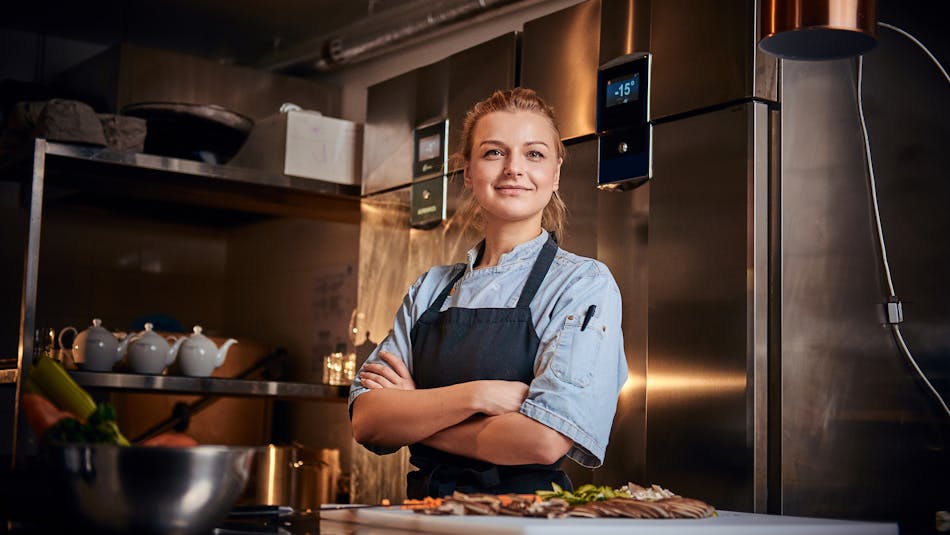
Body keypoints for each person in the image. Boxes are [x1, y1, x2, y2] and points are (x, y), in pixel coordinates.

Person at [349, 87, 627, 499]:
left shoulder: (582, 284)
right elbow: (367, 420)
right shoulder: (430, 289)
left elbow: (543, 441)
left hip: (524, 521)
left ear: (555, 175)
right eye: (494, 152)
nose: (514, 168)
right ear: (467, 172)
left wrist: (417, 413)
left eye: (534, 154)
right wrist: (478, 395)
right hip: (424, 517)